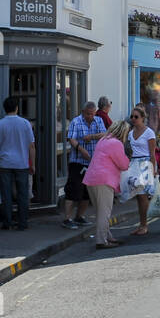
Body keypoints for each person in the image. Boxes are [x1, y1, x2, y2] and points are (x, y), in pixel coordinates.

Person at [0, 96, 35, 231]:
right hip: (22, 163)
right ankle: (22, 223)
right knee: (22, 194)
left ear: (4, 109)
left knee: (6, 194)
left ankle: (7, 222)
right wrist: (33, 164)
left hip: (5, 163)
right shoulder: (25, 123)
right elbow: (31, 146)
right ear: (17, 108)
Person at [83, 120, 130, 250]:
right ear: (123, 132)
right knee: (105, 212)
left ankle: (108, 236)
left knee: (100, 211)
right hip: (104, 180)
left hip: (91, 179)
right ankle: (101, 240)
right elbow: (123, 164)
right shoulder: (116, 143)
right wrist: (128, 159)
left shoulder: (103, 140)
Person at [63, 101, 105, 229]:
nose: (90, 117)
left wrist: (92, 136)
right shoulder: (76, 122)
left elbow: (105, 134)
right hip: (78, 162)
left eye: (92, 114)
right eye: (88, 114)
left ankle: (79, 216)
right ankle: (67, 219)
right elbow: (71, 138)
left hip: (93, 162)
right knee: (73, 190)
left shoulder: (98, 121)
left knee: (87, 192)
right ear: (83, 112)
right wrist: (81, 149)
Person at [125, 105, 158, 236]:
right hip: (133, 164)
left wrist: (153, 170)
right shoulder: (130, 132)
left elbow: (152, 153)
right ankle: (141, 224)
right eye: (132, 116)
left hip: (145, 164)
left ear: (143, 118)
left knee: (143, 196)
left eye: (136, 117)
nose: (133, 119)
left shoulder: (149, 133)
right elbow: (129, 152)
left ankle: (144, 225)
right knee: (138, 196)